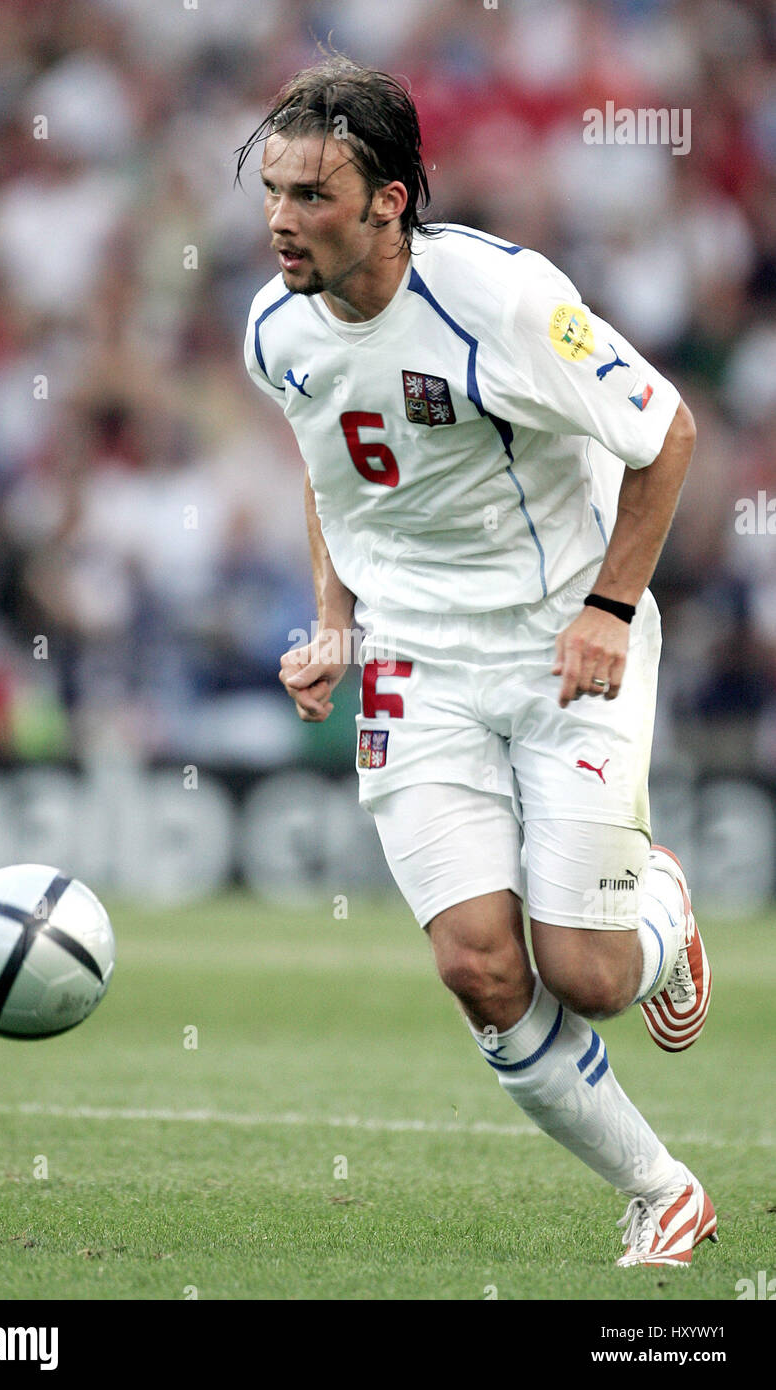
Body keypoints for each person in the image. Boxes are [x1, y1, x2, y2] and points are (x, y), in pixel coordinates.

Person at [240, 56, 716, 1268]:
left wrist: (609, 605)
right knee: (477, 964)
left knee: (589, 974)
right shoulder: (273, 327)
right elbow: (331, 465)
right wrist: (332, 622)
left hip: (563, 642)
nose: (282, 221)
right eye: (274, 192)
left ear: (390, 200)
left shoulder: (501, 301)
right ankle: (658, 1189)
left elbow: (664, 433)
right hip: (414, 657)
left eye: (312, 196)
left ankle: (656, 910)